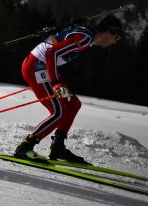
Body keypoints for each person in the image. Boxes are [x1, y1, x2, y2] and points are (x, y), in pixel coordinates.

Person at [13, 15, 123, 163]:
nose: (114, 43)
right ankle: (25, 147)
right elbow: (51, 53)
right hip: (37, 67)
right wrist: (56, 82)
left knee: (73, 104)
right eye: (116, 38)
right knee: (59, 112)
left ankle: (58, 147)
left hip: (43, 68)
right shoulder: (85, 38)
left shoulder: (86, 37)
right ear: (109, 33)